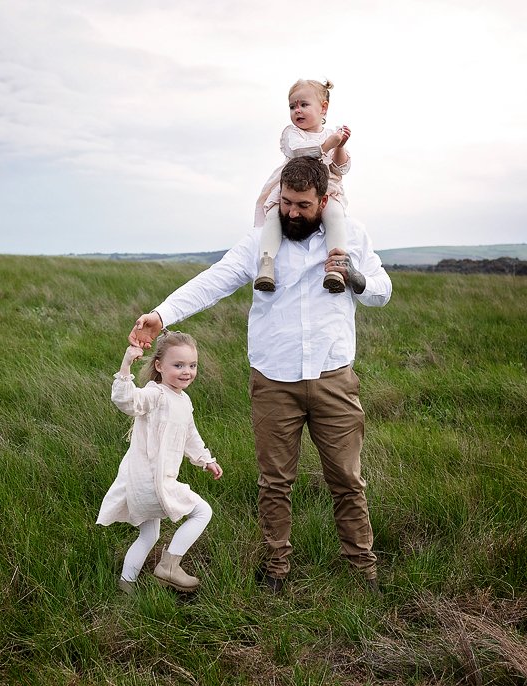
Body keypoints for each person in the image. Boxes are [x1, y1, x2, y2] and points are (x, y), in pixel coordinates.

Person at [130, 156, 392, 594]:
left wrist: (355, 278)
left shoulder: (354, 237)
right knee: (274, 482)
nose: (292, 212)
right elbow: (214, 280)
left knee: (347, 481)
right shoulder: (260, 243)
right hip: (273, 381)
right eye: (285, 202)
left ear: (323, 200)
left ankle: (363, 573)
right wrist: (162, 314)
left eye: (303, 205)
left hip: (334, 380)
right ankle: (276, 569)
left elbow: (382, 292)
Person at [97, 331, 224, 594]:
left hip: (143, 482)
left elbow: (190, 435)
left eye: (192, 365)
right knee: (203, 512)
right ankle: (169, 566)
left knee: (149, 536)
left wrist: (205, 459)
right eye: (178, 365)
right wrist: (126, 365)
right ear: (159, 366)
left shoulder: (183, 400)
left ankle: (126, 585)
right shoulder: (156, 394)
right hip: (153, 481)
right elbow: (127, 401)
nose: (187, 371)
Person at [254, 78, 352, 294]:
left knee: (335, 213)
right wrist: (328, 144)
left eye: (303, 105)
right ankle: (267, 264)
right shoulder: (292, 133)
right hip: (291, 183)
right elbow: (300, 152)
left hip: (324, 186)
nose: (297, 110)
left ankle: (336, 265)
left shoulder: (330, 135)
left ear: (323, 108)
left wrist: (339, 146)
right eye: (292, 106)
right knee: (273, 214)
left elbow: (340, 168)